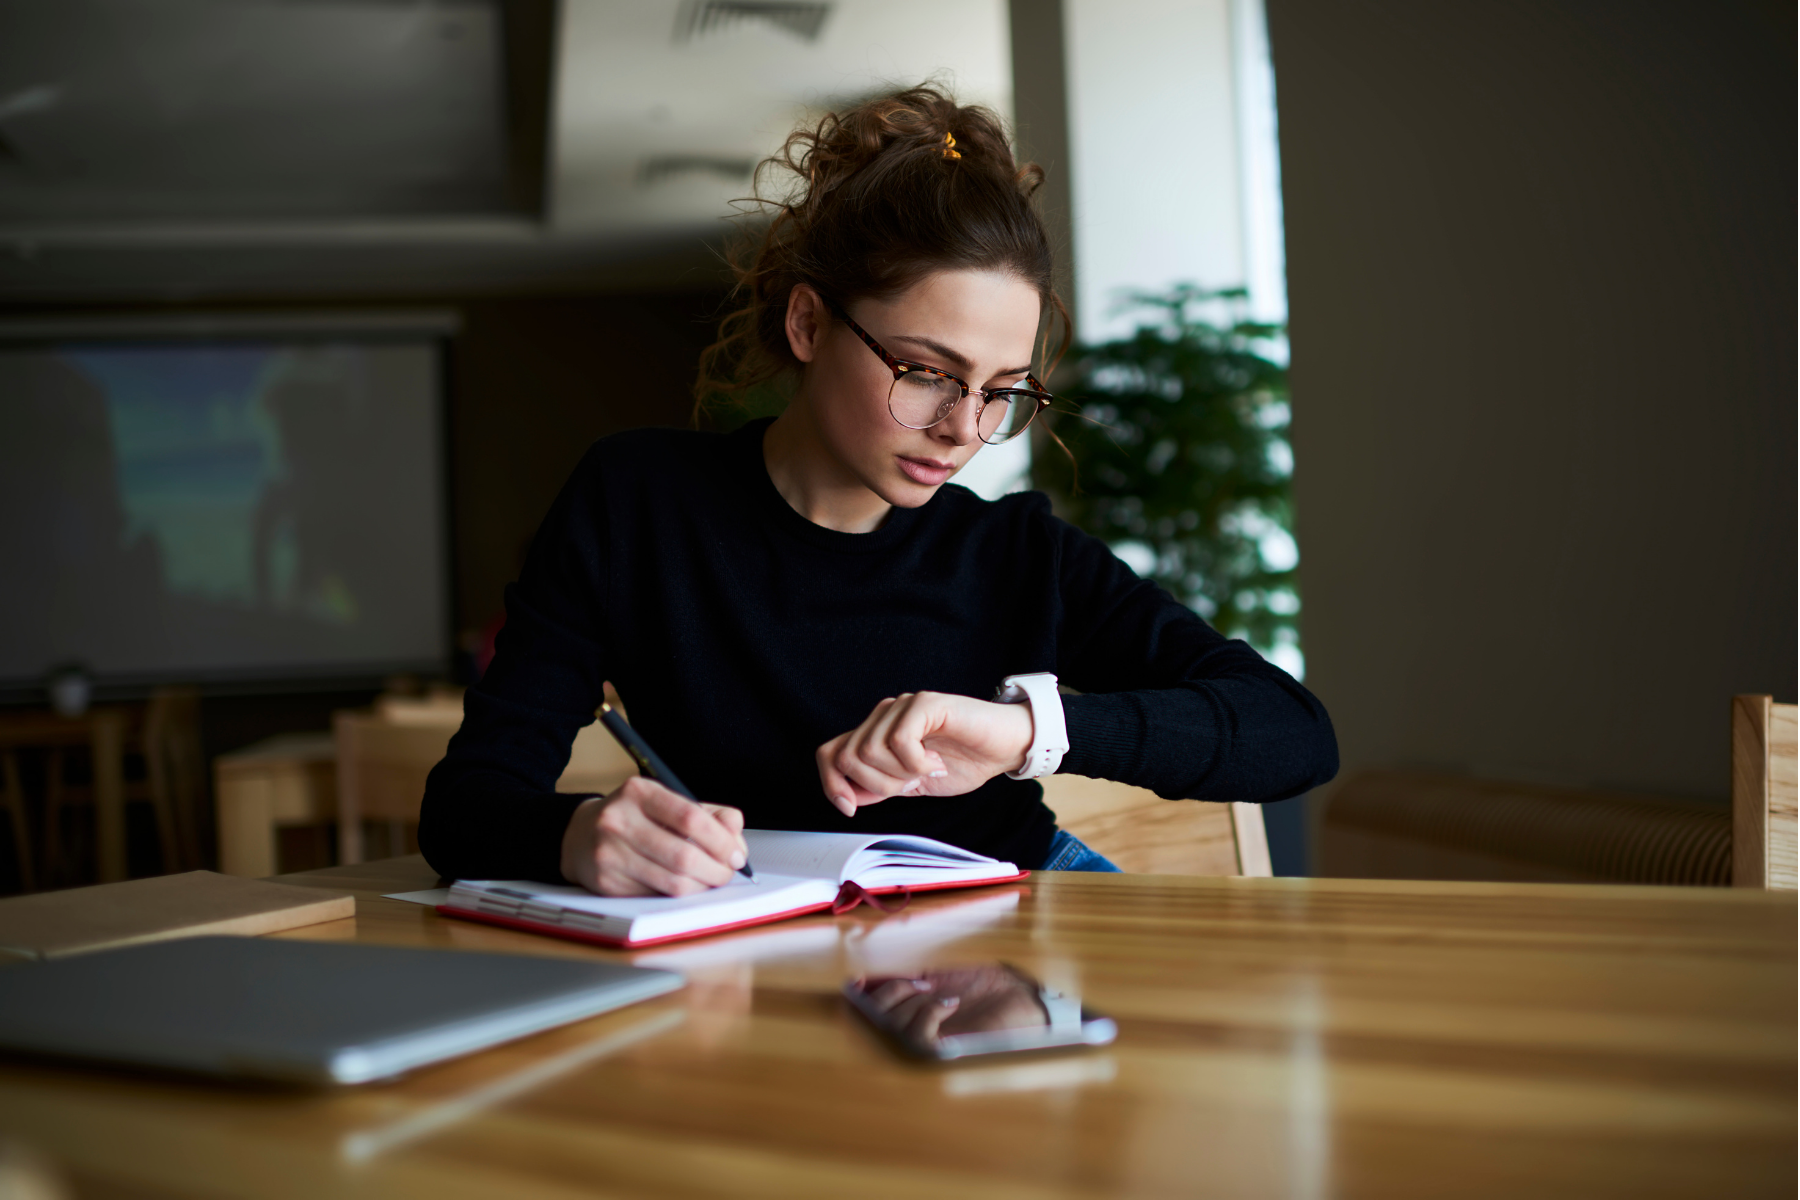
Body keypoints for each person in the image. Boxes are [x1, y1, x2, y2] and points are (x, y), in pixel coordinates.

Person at [418, 86, 1337, 896]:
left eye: (1002, 391)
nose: (964, 429)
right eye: (927, 372)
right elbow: (466, 808)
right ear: (810, 322)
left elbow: (1293, 732)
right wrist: (578, 835)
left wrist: (1024, 733)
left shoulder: (1016, 553)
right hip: (760, 928)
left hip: (1015, 912)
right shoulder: (637, 503)